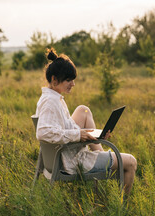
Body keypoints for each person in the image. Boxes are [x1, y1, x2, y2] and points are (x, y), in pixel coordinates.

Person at [35, 48, 137, 195]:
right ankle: (124, 210)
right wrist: (78, 135)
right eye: (68, 80)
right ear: (54, 79)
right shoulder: (51, 102)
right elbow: (43, 132)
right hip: (71, 159)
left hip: (66, 153)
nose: (73, 84)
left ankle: (100, 148)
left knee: (83, 110)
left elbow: (61, 128)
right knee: (131, 161)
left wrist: (92, 136)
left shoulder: (52, 97)